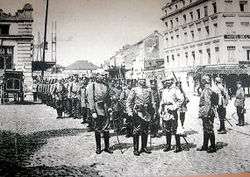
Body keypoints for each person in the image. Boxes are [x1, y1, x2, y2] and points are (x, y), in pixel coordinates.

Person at [127, 77, 154, 156]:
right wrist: (129, 111)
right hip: (137, 112)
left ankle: (144, 147)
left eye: (144, 80)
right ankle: (136, 149)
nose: (143, 81)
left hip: (147, 112)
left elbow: (152, 101)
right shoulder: (134, 90)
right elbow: (129, 101)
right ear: (138, 81)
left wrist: (154, 111)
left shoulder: (149, 90)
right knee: (137, 130)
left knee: (145, 130)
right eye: (141, 80)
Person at [86, 74, 113, 154]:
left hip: (105, 108)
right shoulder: (92, 86)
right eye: (100, 75)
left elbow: (108, 98)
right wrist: (93, 111)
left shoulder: (106, 85)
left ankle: (107, 147)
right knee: (98, 128)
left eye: (103, 76)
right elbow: (90, 99)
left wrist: (109, 107)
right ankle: (98, 147)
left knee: (106, 127)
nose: (102, 77)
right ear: (96, 76)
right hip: (97, 108)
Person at [159, 75, 184, 153]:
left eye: (168, 80)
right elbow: (162, 101)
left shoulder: (176, 89)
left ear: (172, 81)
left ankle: (178, 146)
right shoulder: (164, 90)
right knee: (167, 129)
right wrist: (160, 109)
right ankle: (168, 145)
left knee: (175, 129)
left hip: (173, 111)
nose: (167, 82)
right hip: (166, 111)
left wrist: (174, 107)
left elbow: (181, 99)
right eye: (165, 81)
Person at [197, 75, 217, 153]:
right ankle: (205, 146)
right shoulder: (206, 89)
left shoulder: (207, 90)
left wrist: (206, 114)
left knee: (209, 129)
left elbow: (207, 103)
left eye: (202, 81)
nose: (201, 83)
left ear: (204, 82)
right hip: (206, 112)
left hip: (207, 112)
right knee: (206, 129)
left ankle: (213, 147)